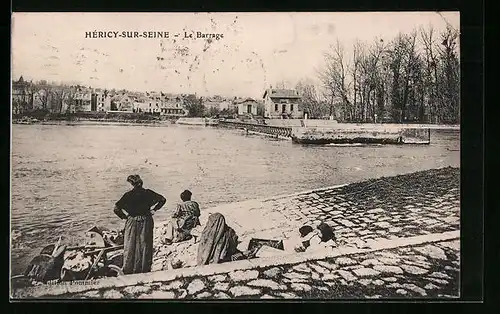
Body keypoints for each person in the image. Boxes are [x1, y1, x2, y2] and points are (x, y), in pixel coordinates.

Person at [114, 175, 166, 274]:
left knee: (130, 245)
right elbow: (163, 200)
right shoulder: (148, 193)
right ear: (141, 183)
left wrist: (125, 217)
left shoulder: (128, 195)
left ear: (132, 184)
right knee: (145, 245)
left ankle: (129, 270)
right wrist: (154, 209)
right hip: (146, 220)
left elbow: (116, 208)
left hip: (132, 221)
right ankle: (144, 269)